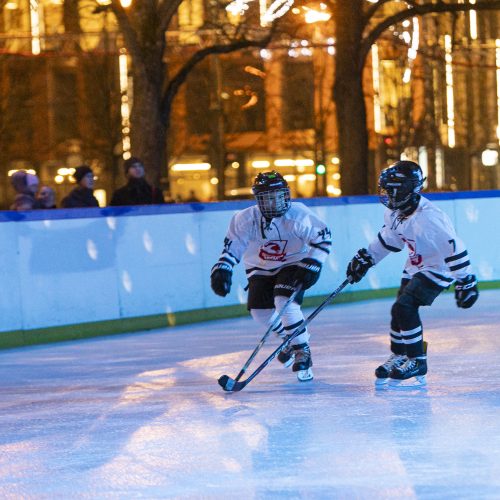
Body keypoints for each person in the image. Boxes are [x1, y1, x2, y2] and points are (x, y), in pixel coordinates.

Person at [345, 160, 479, 387]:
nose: (389, 194)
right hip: (416, 265)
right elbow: (390, 240)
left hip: (439, 267)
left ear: (411, 188)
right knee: (399, 311)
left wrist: (465, 280)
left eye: (395, 189)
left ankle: (417, 359)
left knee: (404, 307)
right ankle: (400, 355)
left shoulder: (429, 218)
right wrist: (367, 258)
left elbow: (454, 248)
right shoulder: (395, 212)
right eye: (387, 189)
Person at [210, 171, 332, 382]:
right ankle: (289, 339)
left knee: (284, 301)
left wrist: (314, 263)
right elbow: (233, 246)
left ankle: (302, 349)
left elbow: (322, 238)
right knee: (260, 313)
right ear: (258, 199)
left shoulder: (298, 214)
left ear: (286, 194)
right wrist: (223, 267)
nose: (275, 201)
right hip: (259, 267)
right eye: (268, 197)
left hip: (293, 262)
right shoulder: (245, 219)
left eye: (279, 195)